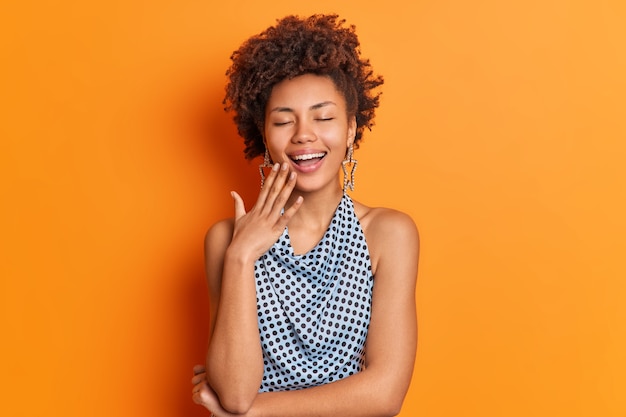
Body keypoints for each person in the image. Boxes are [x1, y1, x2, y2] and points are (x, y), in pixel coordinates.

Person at [191, 14, 419, 417]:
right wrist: (242, 255)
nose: (303, 134)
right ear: (264, 134)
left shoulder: (389, 233)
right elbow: (235, 392)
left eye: (324, 117)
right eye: (283, 120)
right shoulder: (226, 241)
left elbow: (385, 395)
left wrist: (255, 413)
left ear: (350, 129)